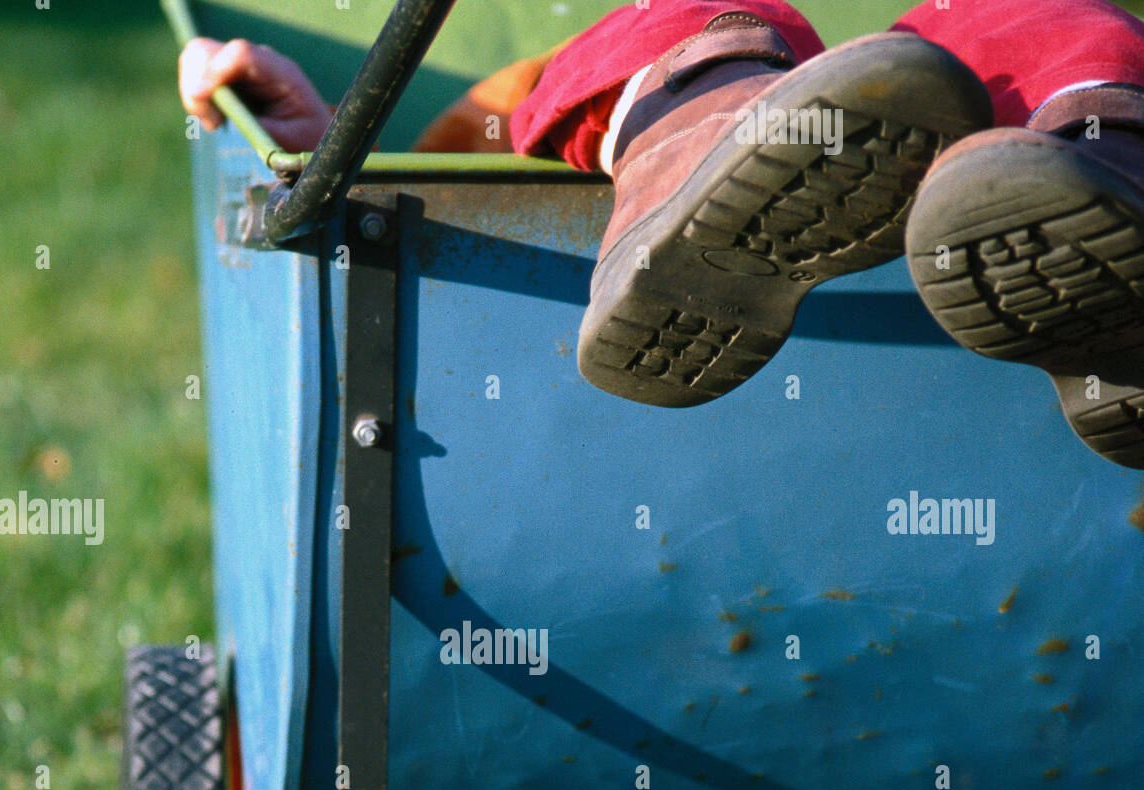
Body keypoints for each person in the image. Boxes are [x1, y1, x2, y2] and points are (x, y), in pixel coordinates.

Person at [179, 1, 1144, 469]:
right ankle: (705, 125)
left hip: (975, 132)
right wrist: (322, 140)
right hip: (690, 57)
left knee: (1037, 19)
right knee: (680, 17)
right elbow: (432, 169)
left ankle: (1094, 178)